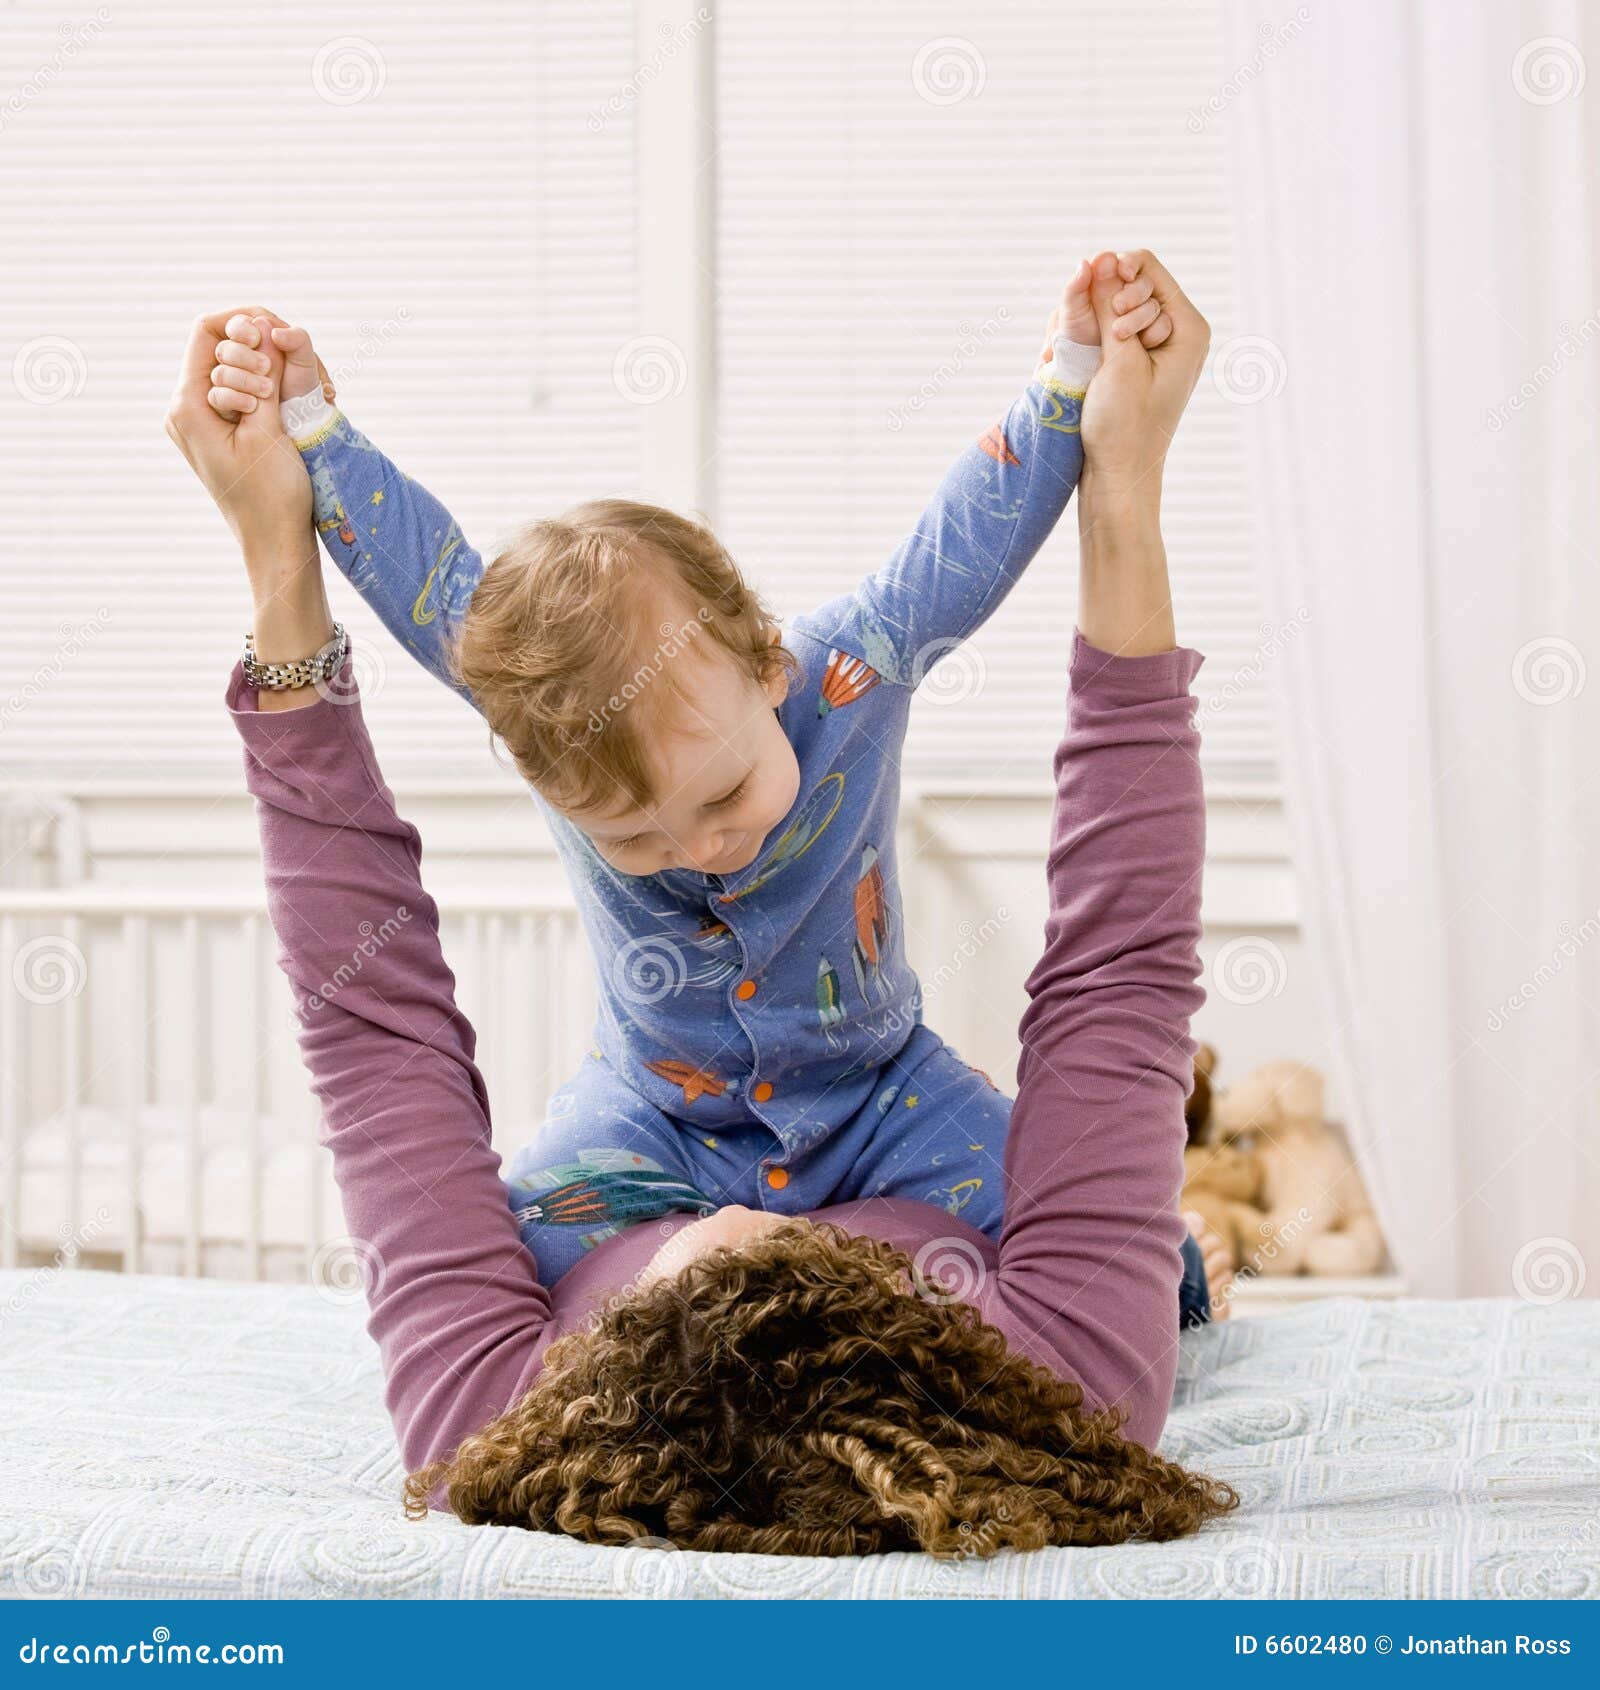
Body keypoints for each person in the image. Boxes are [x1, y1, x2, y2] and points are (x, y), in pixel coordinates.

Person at [165, 250, 1237, 1558]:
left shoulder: (483, 1427)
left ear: (765, 648)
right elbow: (1121, 977)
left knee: (516, 1220)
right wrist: (1110, 440)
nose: (697, 852)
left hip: (871, 1098)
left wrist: (310, 469)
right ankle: (1169, 1258)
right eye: (634, 834)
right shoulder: (1077, 1378)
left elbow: (374, 1036)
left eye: (723, 797)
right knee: (1093, 1216)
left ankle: (1163, 1250)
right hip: (661, 1117)